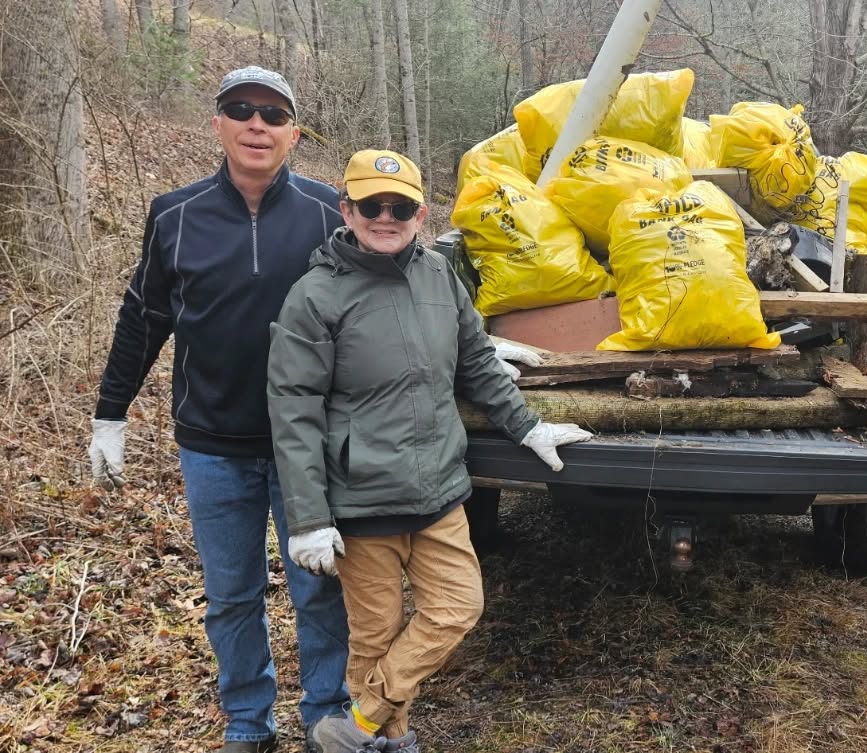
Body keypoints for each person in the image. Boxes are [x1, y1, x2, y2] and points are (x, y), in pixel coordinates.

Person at [267, 149, 592, 753]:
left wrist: (527, 427)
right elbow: (293, 411)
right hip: (364, 501)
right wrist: (308, 517)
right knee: (376, 636)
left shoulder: (439, 274)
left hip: (440, 491)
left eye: (401, 206)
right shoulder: (314, 297)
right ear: (347, 209)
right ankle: (389, 740)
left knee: (456, 609)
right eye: (371, 205)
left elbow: (476, 362)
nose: (385, 217)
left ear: (421, 213)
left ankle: (357, 727)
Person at [86, 65, 354, 753]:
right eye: (241, 110)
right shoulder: (175, 214)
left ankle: (326, 711)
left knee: (320, 589)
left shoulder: (331, 212)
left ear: (295, 131)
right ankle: (247, 720)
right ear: (219, 124)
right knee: (232, 594)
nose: (256, 124)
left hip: (308, 446)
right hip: (211, 444)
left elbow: (368, 314)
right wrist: (109, 414)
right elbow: (143, 316)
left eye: (273, 113)